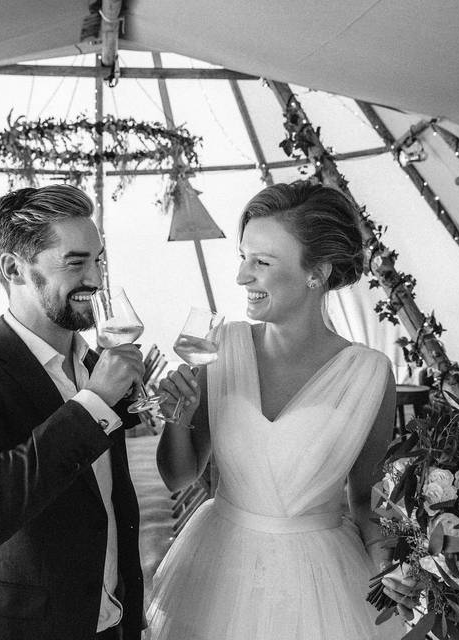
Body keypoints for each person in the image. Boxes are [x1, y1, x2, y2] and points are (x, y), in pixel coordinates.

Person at [147, 181, 416, 639]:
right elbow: (179, 476)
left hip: (321, 581)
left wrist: (388, 568)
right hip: (217, 566)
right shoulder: (222, 348)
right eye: (243, 257)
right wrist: (176, 420)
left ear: (318, 273)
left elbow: (366, 499)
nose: (242, 277)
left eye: (263, 263)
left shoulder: (370, 373)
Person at [0, 184, 145, 640]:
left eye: (98, 260)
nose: (96, 279)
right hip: (19, 626)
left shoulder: (92, 364)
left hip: (110, 616)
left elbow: (103, 494)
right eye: (75, 262)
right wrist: (95, 404)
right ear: (13, 268)